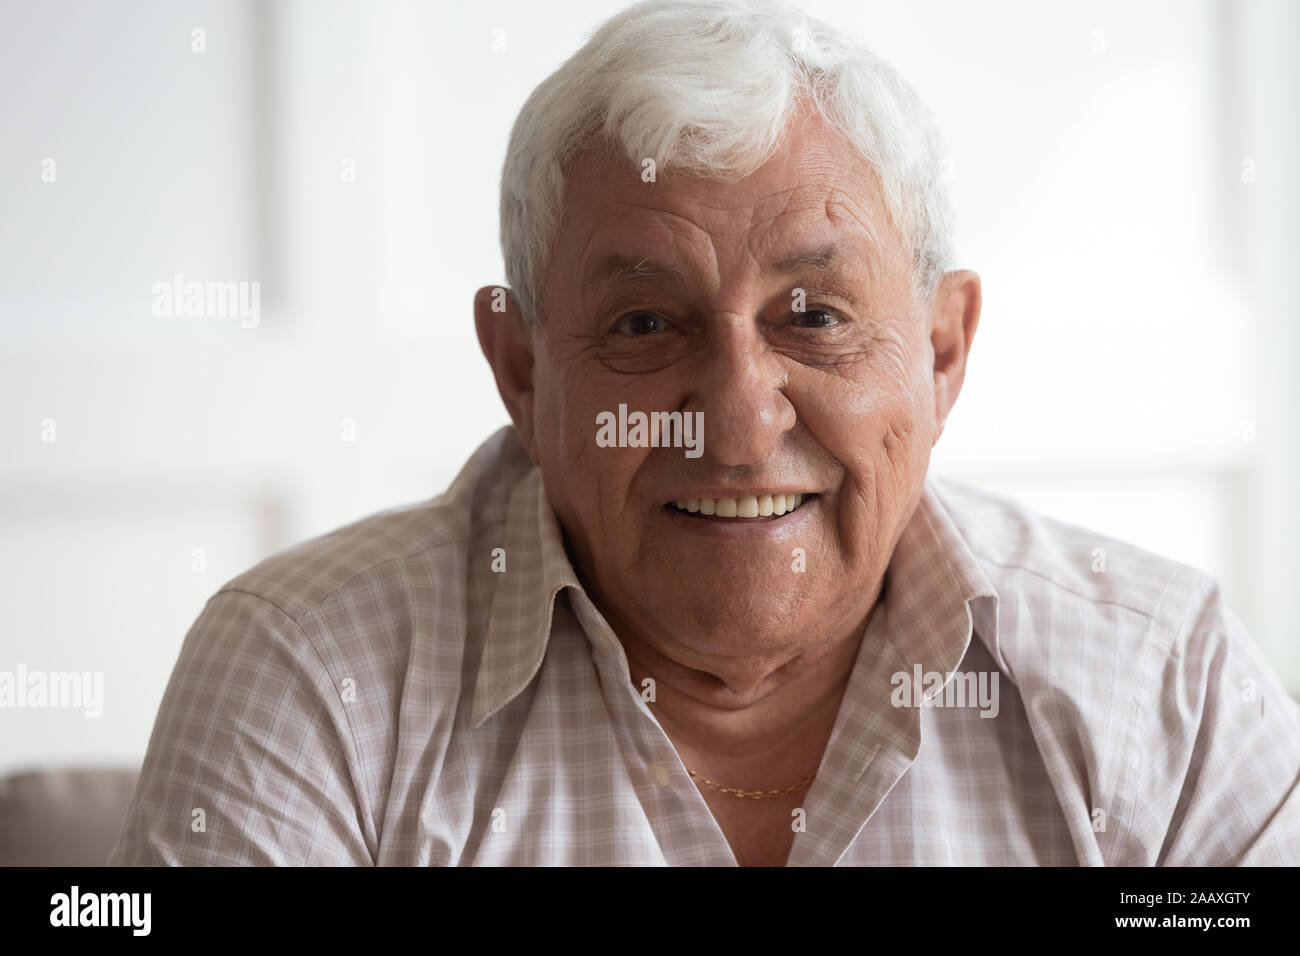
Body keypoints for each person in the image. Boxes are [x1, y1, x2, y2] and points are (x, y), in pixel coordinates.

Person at [110, 0, 1300, 866]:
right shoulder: (312, 674)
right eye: (643, 321)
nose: (737, 424)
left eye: (815, 317)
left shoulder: (1159, 682)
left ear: (940, 353)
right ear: (520, 369)